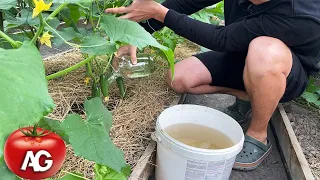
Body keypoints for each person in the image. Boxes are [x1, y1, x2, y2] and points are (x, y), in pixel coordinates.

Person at [105, 0, 320, 170]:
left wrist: (160, 12)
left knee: (265, 50)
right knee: (178, 77)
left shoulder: (303, 13)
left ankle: (258, 134)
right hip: (241, 54)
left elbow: (221, 39)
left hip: (284, 71)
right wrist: (139, 33)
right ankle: (249, 94)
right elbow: (185, 3)